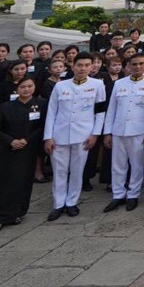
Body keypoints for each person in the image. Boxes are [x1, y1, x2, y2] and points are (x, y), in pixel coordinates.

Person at [43, 52, 107, 221]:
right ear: (73, 66)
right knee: (59, 171)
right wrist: (48, 137)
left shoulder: (98, 85)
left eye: (87, 65)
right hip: (59, 135)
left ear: (92, 67)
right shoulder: (60, 86)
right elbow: (51, 113)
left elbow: (100, 113)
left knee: (77, 171)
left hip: (83, 135)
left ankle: (71, 202)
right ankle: (58, 203)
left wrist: (95, 135)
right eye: (80, 65)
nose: (83, 68)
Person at [102, 53, 144, 212]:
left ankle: (133, 195)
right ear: (128, 66)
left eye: (141, 63)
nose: (138, 67)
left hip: (139, 131)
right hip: (119, 130)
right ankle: (118, 195)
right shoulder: (119, 83)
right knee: (118, 165)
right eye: (134, 64)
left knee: (137, 165)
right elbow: (111, 109)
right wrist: (107, 132)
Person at [0, 76, 46, 231]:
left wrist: (27, 140)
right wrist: (11, 141)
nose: (26, 89)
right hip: (7, 150)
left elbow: (41, 127)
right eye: (23, 87)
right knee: (2, 182)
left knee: (23, 181)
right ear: (17, 89)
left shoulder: (41, 105)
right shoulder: (6, 107)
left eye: (30, 86)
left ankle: (17, 212)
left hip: (28, 149)